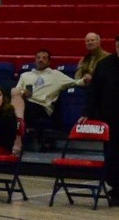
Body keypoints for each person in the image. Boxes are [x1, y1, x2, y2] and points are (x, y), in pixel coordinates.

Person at [81, 33, 119, 198]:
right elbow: (94, 92)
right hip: (111, 119)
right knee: (112, 155)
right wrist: (88, 112)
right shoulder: (104, 65)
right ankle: (115, 189)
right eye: (118, 46)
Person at [11, 49, 76, 117]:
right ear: (35, 60)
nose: (40, 60)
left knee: (27, 108)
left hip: (42, 107)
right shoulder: (25, 75)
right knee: (13, 94)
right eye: (38, 58)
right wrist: (23, 92)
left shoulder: (56, 75)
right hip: (26, 103)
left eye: (44, 58)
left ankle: (19, 123)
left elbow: (75, 82)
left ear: (49, 62)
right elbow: (16, 93)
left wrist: (85, 80)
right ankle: (19, 123)